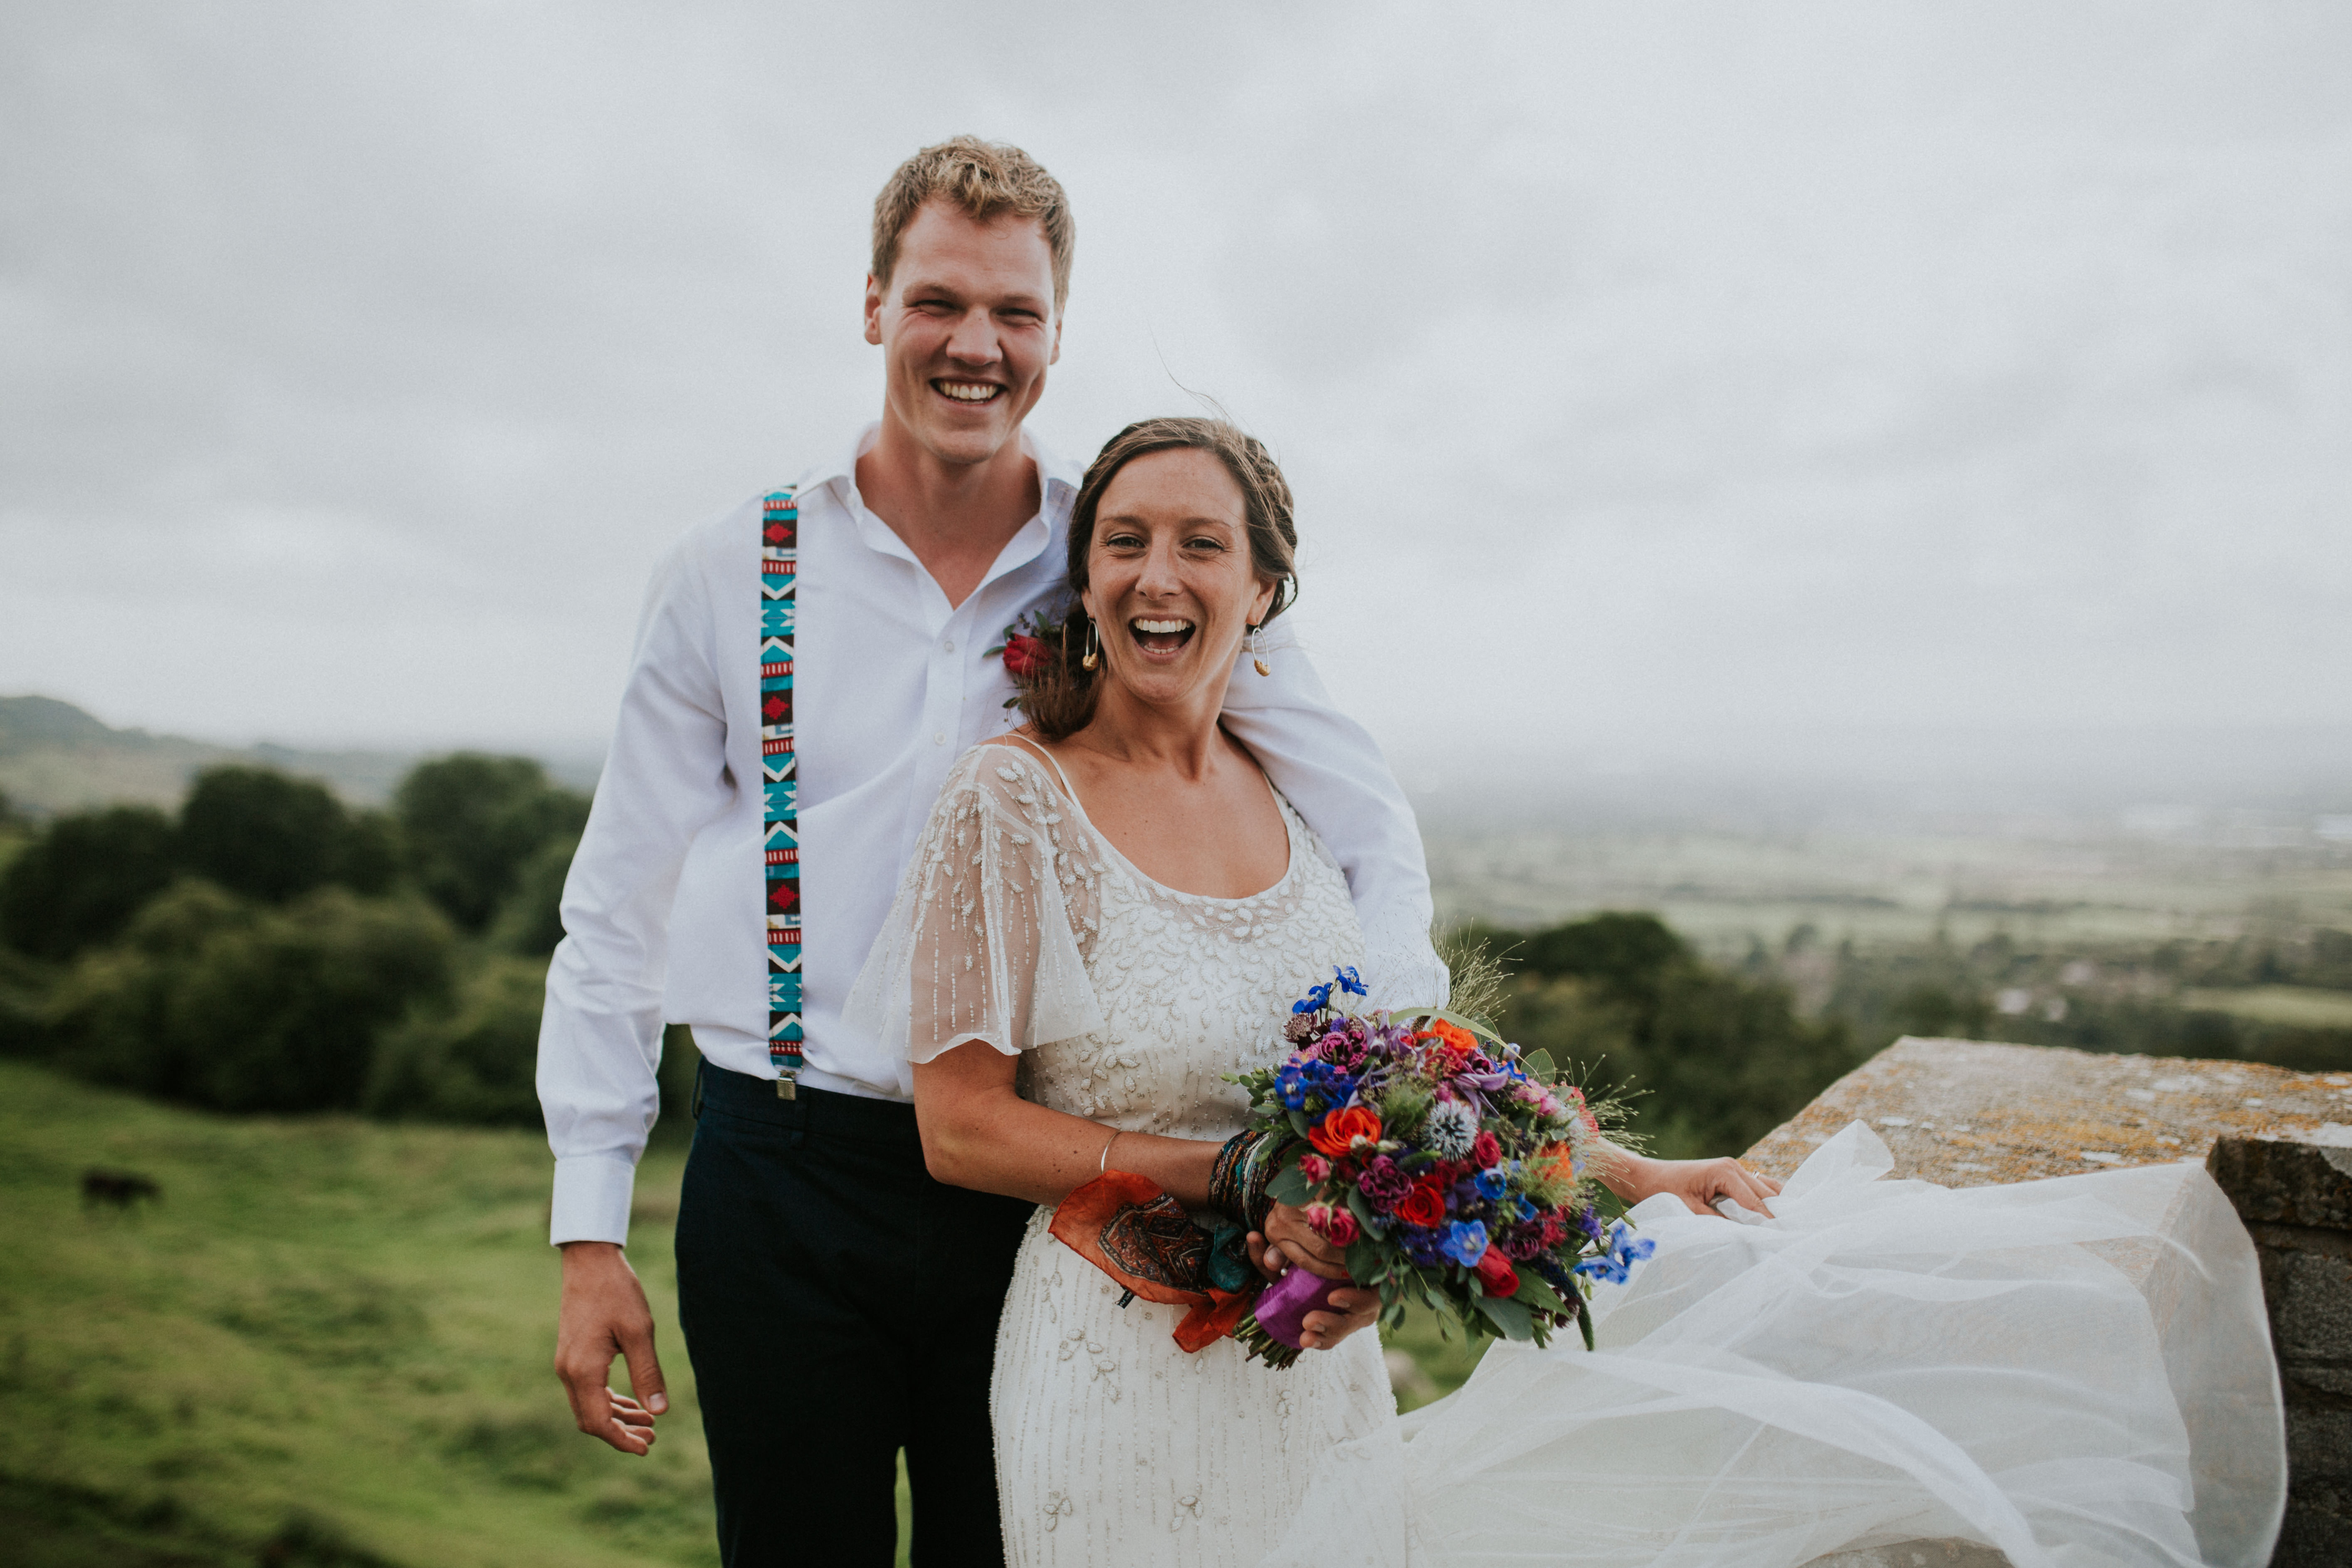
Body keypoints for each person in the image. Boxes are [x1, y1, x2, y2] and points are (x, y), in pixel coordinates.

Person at [850, 419, 2287, 1568]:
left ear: (1265, 588)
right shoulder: (1013, 802)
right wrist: (1239, 1175)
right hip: (1112, 1380)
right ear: (1087, 582)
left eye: (1199, 543)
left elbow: (1393, 1068)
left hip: (1314, 1381)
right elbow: (961, 1126)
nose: (1157, 573)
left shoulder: (1299, 800)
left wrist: (1620, 1169)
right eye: (1125, 541)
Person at [534, 137, 1443, 1567]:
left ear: (1057, 333)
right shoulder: (725, 572)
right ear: (876, 304)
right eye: (940, 301)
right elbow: (615, 906)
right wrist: (590, 1230)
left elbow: (1364, 824)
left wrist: (1375, 1143)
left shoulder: (1134, 545)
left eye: (1016, 313)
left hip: (1035, 1181)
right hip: (780, 1167)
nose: (977, 344)